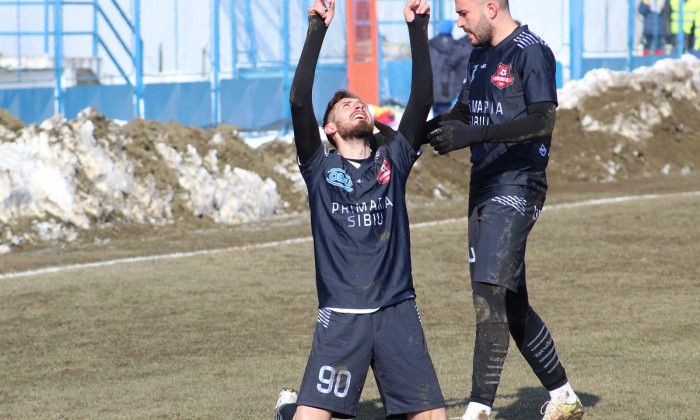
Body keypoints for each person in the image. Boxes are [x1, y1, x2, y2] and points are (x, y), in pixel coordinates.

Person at [275, 1, 447, 419]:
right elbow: (300, 100)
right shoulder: (318, 166)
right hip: (343, 316)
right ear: (329, 128)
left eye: (361, 102)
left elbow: (423, 95)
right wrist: (317, 29)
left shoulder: (394, 160)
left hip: (397, 311)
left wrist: (418, 28)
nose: (358, 105)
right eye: (345, 105)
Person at [424, 1, 584, 419]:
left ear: (490, 7)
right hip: (483, 185)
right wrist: (407, 138)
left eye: (463, 13)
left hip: (518, 184)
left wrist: (472, 135)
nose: (459, 23)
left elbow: (541, 121)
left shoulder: (531, 50)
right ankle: (564, 396)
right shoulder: (480, 53)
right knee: (510, 302)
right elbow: (462, 112)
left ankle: (478, 410)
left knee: (488, 294)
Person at [429, 20, 473, 116]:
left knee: (435, 115)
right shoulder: (457, 46)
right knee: (445, 114)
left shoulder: (430, 45)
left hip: (432, 86)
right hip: (448, 87)